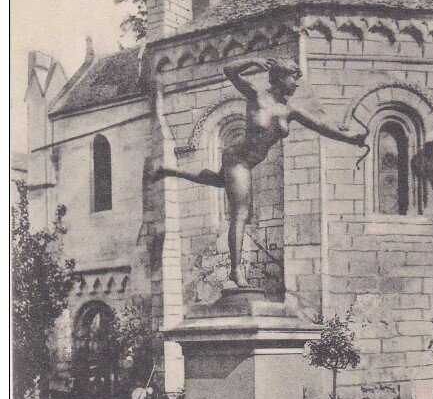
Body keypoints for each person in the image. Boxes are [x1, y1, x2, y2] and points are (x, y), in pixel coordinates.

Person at [151, 57, 367, 287]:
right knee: (241, 213)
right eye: (293, 78)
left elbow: (321, 126)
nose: (296, 84)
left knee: (217, 180)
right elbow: (229, 70)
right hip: (238, 159)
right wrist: (252, 61)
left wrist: (350, 139)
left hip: (249, 163)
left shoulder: (289, 110)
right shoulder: (256, 95)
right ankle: (235, 271)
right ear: (280, 78)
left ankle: (170, 170)